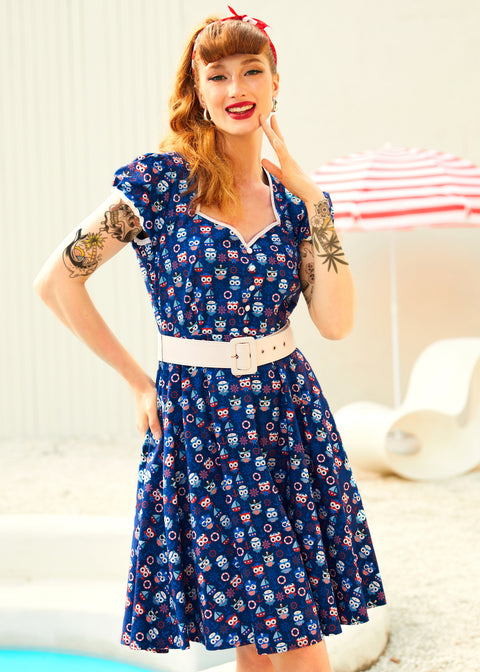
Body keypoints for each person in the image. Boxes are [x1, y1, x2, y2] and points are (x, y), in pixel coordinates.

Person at [34, 7, 386, 672]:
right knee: (277, 631)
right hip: (202, 420)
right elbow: (57, 280)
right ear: (196, 90)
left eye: (251, 70)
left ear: (276, 82)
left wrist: (318, 205)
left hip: (287, 414)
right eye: (217, 75)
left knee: (270, 632)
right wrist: (137, 381)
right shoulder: (160, 185)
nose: (236, 88)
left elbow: (336, 322)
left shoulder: (293, 203)